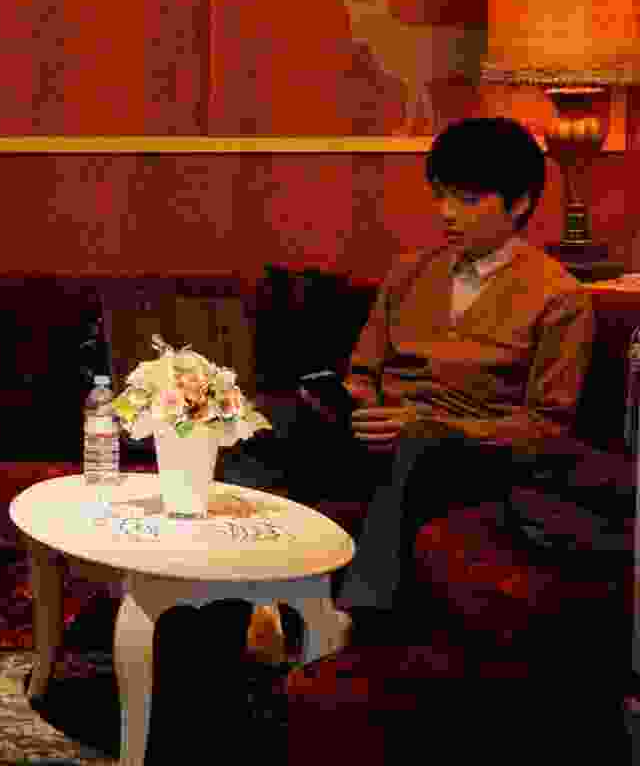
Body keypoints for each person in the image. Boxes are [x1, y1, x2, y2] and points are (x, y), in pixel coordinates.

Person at [236, 115, 594, 638]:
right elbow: (364, 373)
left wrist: (432, 427)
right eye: (441, 196)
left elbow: (546, 427)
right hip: (376, 435)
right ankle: (246, 591)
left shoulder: (559, 297)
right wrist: (344, 400)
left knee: (418, 447)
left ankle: (353, 619)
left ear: (519, 204)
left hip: (466, 453)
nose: (447, 213)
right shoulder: (409, 273)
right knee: (256, 424)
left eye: (467, 200)